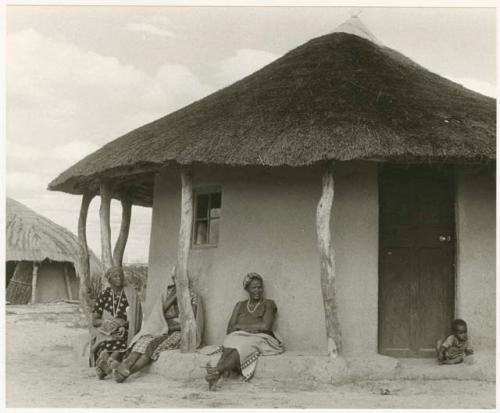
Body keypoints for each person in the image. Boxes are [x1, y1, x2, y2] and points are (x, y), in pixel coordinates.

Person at [111, 276, 204, 383]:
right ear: (173, 279)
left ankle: (126, 373)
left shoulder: (193, 296)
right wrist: (174, 296)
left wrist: (173, 326)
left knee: (151, 346)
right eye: (176, 278)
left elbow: (191, 320)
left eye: (181, 278)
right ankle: (126, 364)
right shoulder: (168, 293)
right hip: (162, 327)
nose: (178, 281)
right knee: (141, 341)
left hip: (179, 331)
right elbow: (159, 311)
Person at [205, 272, 284, 391]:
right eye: (254, 287)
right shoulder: (239, 305)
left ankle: (217, 370)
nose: (258, 290)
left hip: (261, 338)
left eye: (260, 287)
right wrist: (248, 327)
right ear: (247, 289)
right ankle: (216, 374)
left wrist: (239, 326)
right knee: (229, 341)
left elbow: (265, 326)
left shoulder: (268, 304)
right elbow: (230, 328)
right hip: (238, 335)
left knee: (243, 346)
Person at [90, 266, 143, 380]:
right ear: (109, 279)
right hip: (107, 330)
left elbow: (136, 316)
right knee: (107, 340)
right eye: (115, 276)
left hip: (127, 328)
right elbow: (95, 320)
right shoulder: (104, 295)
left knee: (122, 337)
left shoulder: (130, 293)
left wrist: (123, 325)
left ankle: (105, 366)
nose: (119, 278)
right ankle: (109, 363)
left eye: (121, 275)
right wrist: (108, 323)